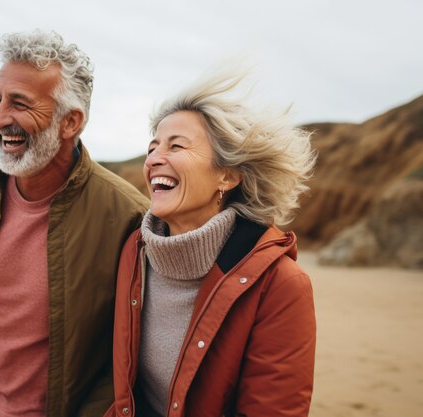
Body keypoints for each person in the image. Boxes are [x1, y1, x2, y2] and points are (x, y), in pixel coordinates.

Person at [0, 30, 149, 417]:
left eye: (20, 103)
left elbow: (136, 345)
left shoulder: (127, 216)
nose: (0, 118)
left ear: (70, 122)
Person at [104, 70, 317, 417]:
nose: (154, 158)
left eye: (176, 145)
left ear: (228, 175)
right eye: (152, 146)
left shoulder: (281, 286)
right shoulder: (134, 251)